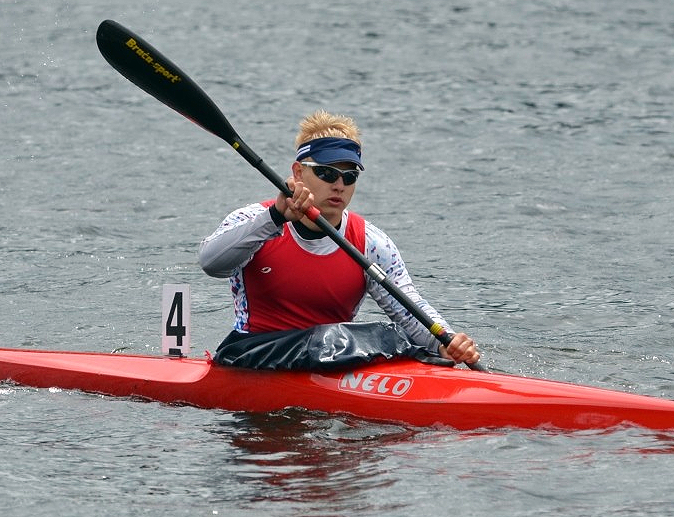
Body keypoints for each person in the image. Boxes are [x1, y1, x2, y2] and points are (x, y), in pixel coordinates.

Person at [198, 110, 481, 369]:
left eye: (349, 176)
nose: (339, 185)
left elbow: (407, 308)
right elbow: (211, 263)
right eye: (327, 173)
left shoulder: (371, 241)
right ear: (298, 172)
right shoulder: (253, 220)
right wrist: (275, 216)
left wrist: (446, 341)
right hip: (250, 355)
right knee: (368, 336)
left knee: (382, 333)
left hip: (333, 355)